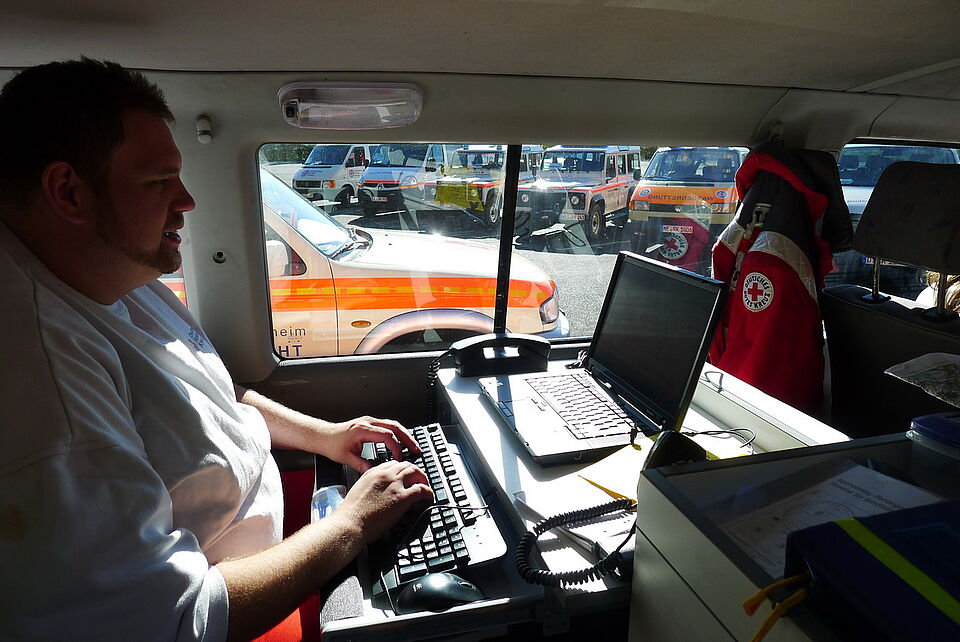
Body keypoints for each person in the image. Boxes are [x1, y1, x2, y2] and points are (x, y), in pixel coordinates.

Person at [0, 59, 433, 641]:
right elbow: (175, 620)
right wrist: (351, 525)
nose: (187, 201)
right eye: (159, 181)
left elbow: (215, 391)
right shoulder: (47, 379)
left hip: (269, 542)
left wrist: (325, 435)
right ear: (68, 192)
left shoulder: (107, 271)